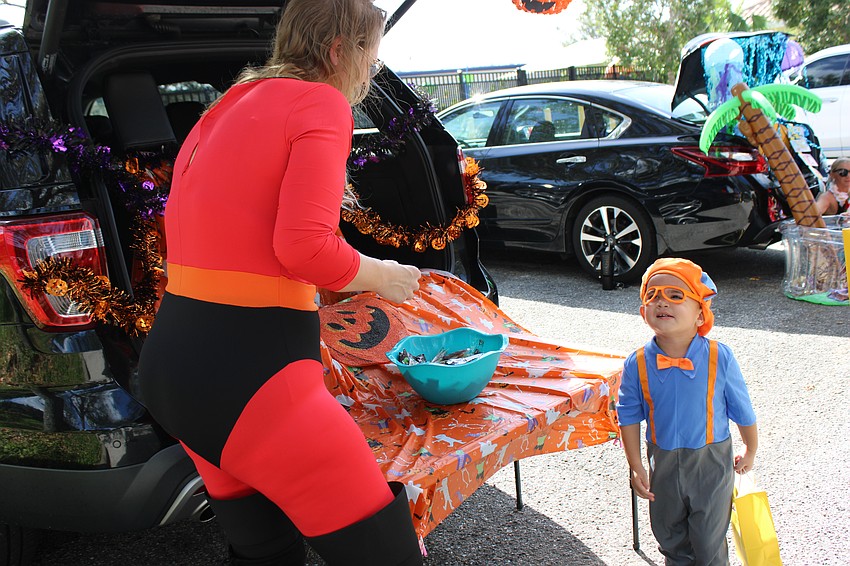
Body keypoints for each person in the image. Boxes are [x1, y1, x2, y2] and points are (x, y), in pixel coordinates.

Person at [137, 1, 424, 564]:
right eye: (370, 52)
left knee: (266, 553)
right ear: (339, 50)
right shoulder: (320, 101)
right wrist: (386, 276)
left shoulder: (231, 102)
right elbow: (305, 247)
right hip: (255, 380)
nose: (371, 70)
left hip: (174, 366)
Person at [617, 258, 759, 565]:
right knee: (669, 535)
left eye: (675, 295)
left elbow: (742, 408)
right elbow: (627, 415)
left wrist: (750, 447)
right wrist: (635, 465)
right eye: (652, 295)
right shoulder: (637, 362)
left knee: (709, 542)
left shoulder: (719, 356)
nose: (661, 302)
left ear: (700, 314)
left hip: (710, 461)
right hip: (663, 462)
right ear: (644, 312)